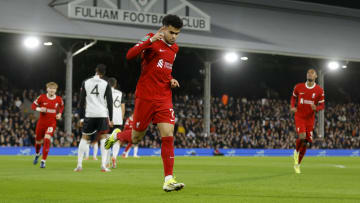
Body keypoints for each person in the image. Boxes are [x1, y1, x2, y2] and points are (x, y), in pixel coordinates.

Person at [105, 14, 185, 192]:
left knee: (168, 134)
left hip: (164, 97)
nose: (174, 37)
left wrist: (171, 79)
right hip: (145, 97)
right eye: (171, 32)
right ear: (163, 28)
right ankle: (116, 136)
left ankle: (168, 179)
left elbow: (164, 69)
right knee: (135, 138)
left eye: (177, 34)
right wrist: (149, 41)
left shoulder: (175, 49)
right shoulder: (150, 38)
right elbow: (129, 55)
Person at [74, 64, 113, 172]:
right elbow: (110, 103)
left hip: (89, 114)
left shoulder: (86, 82)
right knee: (104, 138)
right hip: (102, 114)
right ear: (104, 73)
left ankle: (79, 165)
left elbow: (81, 102)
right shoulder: (106, 84)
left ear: (95, 71)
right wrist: (111, 118)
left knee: (84, 137)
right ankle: (103, 166)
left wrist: (81, 118)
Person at [290, 68, 325, 174]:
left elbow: (322, 105)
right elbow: (293, 98)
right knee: (302, 136)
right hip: (300, 116)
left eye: (312, 73)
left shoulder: (319, 90)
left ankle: (297, 164)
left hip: (310, 119)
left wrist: (317, 108)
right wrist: (292, 107)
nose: (309, 74)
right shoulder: (299, 87)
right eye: (308, 73)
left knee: (306, 143)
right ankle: (296, 152)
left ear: (316, 76)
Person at [31, 82, 64, 168]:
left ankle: (43, 161)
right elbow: (33, 106)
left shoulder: (59, 99)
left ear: (56, 90)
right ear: (47, 89)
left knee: (47, 138)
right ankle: (38, 154)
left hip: (51, 123)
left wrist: (60, 114)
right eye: (50, 88)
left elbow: (61, 107)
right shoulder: (41, 97)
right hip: (41, 123)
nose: (52, 90)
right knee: (38, 141)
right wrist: (40, 108)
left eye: (54, 89)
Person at [107, 77, 126, 168]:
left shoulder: (105, 93)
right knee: (116, 140)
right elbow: (123, 108)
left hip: (108, 119)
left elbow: (104, 107)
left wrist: (108, 119)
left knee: (107, 140)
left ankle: (106, 161)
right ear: (115, 84)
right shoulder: (120, 93)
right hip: (118, 120)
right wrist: (121, 119)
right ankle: (114, 157)